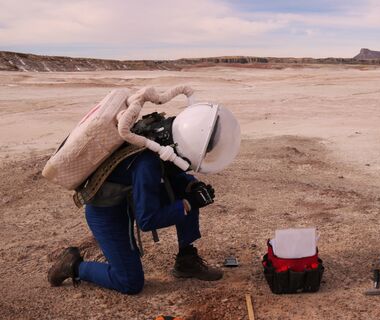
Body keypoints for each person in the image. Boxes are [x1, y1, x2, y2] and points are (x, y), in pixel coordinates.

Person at [47, 103, 241, 294]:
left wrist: (192, 188)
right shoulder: (148, 164)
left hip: (130, 197)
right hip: (107, 213)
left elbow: (172, 170)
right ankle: (74, 266)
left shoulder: (164, 137)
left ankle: (186, 261)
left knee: (189, 190)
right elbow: (147, 220)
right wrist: (189, 203)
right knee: (129, 282)